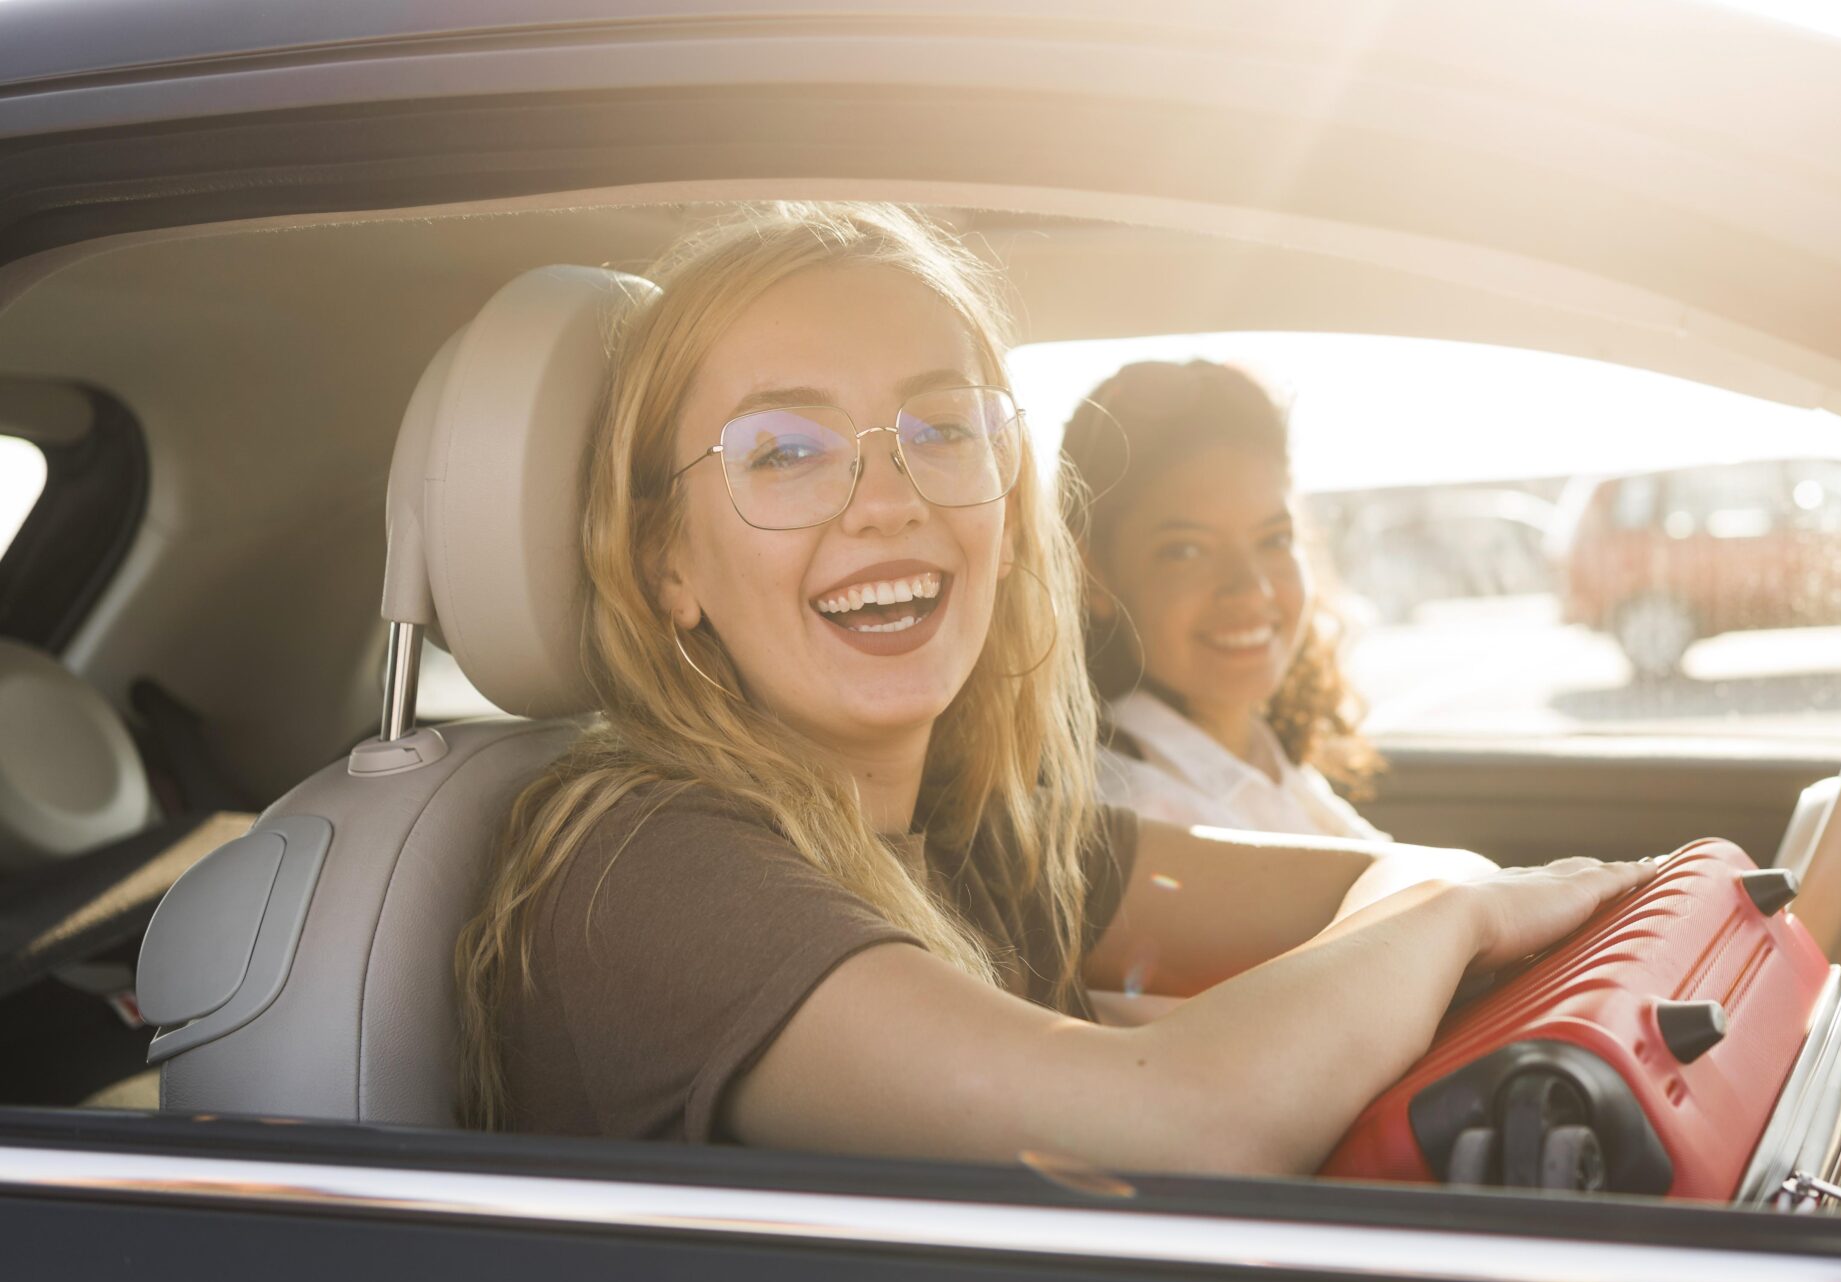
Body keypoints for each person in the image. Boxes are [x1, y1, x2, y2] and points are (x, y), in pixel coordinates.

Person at [452, 204, 1649, 1176]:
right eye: (787, 450)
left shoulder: (975, 836)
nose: (890, 499)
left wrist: (1443, 894)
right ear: (668, 563)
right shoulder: (647, 868)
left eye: (942, 429)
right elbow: (1185, 1121)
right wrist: (1461, 917)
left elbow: (1369, 883)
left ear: (1011, 515)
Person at [1063, 360, 1384, 840]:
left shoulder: (1259, 759)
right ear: (1096, 577)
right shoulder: (1131, 810)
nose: (1251, 587)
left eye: (1274, 540)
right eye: (1186, 551)